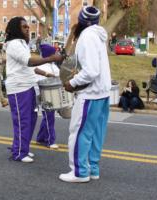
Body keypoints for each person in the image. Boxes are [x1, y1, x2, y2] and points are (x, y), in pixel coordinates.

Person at [60, 6, 111, 183]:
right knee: (96, 133)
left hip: (90, 94)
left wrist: (72, 83)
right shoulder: (98, 35)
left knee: (79, 132)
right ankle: (93, 169)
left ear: (81, 21)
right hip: (103, 93)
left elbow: (91, 71)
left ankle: (79, 172)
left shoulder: (87, 36)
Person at [4, 17, 63, 163]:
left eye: (27, 26)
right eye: (24, 27)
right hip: (18, 88)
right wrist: (50, 58)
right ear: (17, 29)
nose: (27, 29)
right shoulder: (14, 44)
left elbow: (29, 67)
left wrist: (45, 73)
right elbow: (29, 61)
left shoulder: (22, 44)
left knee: (30, 119)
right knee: (22, 121)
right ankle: (19, 153)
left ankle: (23, 148)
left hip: (28, 86)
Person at [34, 44, 60, 149]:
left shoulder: (54, 66)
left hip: (52, 95)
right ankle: (50, 141)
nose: (56, 54)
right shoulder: (41, 67)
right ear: (49, 55)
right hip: (45, 96)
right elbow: (38, 83)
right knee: (49, 118)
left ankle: (40, 138)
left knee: (48, 117)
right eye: (54, 53)